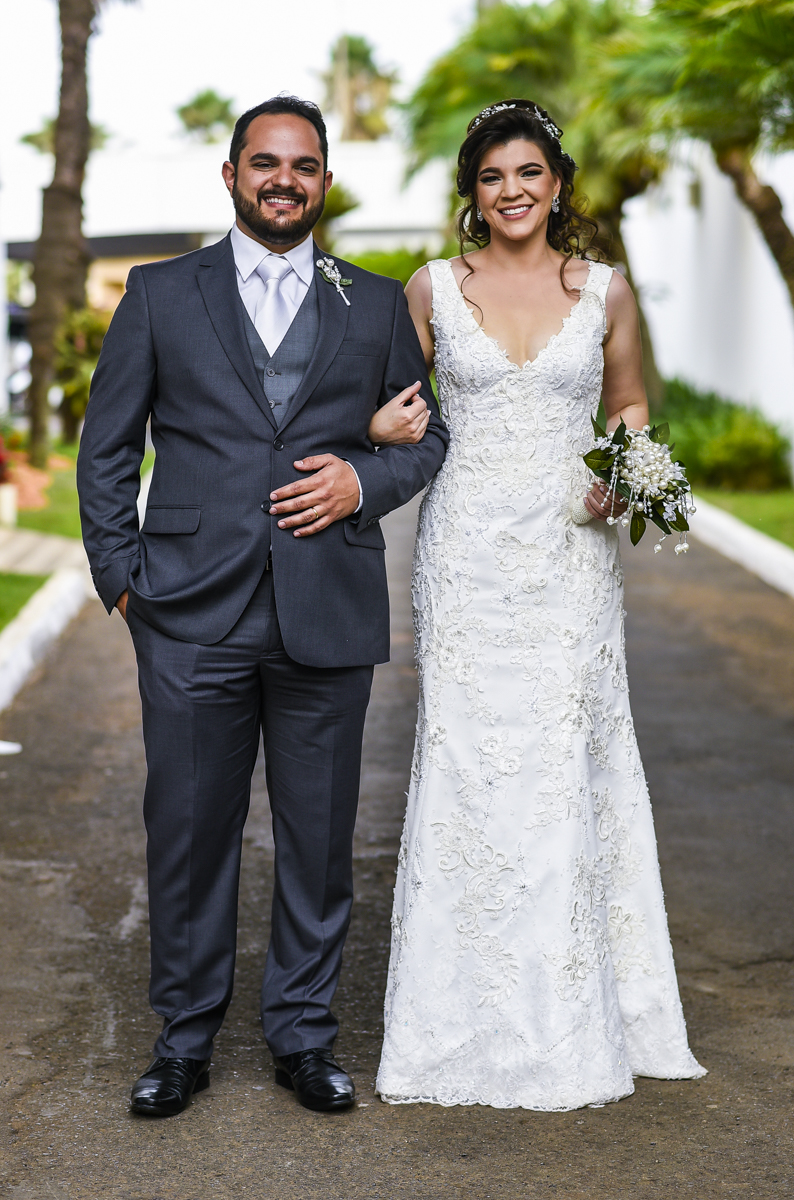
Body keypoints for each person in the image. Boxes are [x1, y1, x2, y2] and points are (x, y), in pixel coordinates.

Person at [76, 96, 448, 1118]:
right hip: (188, 612)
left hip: (323, 603)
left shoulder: (371, 306)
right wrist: (121, 576)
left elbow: (424, 439)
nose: (284, 179)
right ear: (232, 173)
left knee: (320, 839)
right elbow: (107, 448)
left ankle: (302, 1036)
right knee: (189, 833)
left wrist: (362, 483)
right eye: (266, 162)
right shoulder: (158, 294)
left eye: (304, 165)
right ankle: (184, 1040)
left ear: (325, 181)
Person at [369, 99, 705, 1110]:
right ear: (470, 196)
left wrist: (620, 463)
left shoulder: (600, 289)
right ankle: (452, 1028)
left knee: (564, 764)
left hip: (569, 557)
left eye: (527, 173)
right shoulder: (431, 288)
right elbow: (384, 395)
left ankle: (573, 1020)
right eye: (489, 177)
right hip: (466, 559)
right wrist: (380, 425)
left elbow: (630, 398)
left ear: (556, 184)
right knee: (471, 765)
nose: (510, 191)